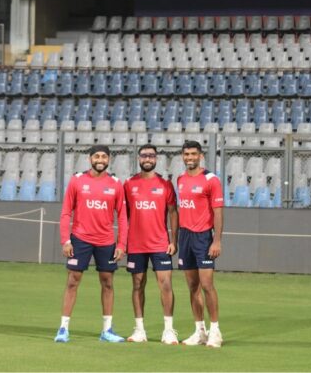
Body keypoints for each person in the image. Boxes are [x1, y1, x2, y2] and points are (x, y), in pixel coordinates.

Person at [54, 145, 128, 343]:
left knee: (108, 282)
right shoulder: (77, 180)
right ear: (90, 159)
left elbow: (122, 216)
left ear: (109, 160)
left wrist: (121, 244)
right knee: (72, 281)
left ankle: (107, 330)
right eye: (97, 156)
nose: (100, 160)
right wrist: (65, 240)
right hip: (80, 239)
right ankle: (63, 329)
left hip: (106, 241)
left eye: (104, 156)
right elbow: (66, 212)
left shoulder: (115, 184)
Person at [123, 145, 179, 345]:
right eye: (144, 155)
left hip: (160, 244)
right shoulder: (129, 184)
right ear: (139, 158)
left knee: (166, 284)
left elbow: (173, 212)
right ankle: (139, 330)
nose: (148, 159)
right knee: (137, 285)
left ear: (156, 159)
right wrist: (123, 240)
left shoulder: (165, 185)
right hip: (136, 244)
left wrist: (173, 241)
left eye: (151, 156)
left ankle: (169, 330)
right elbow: (124, 215)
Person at [176, 141, 224, 348]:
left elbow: (218, 212)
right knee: (192, 287)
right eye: (186, 154)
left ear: (201, 156)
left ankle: (215, 331)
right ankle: (199, 332)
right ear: (182, 156)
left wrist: (217, 240)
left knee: (207, 285)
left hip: (203, 237)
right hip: (185, 236)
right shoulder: (180, 179)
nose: (190, 157)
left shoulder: (211, 180)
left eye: (193, 154)